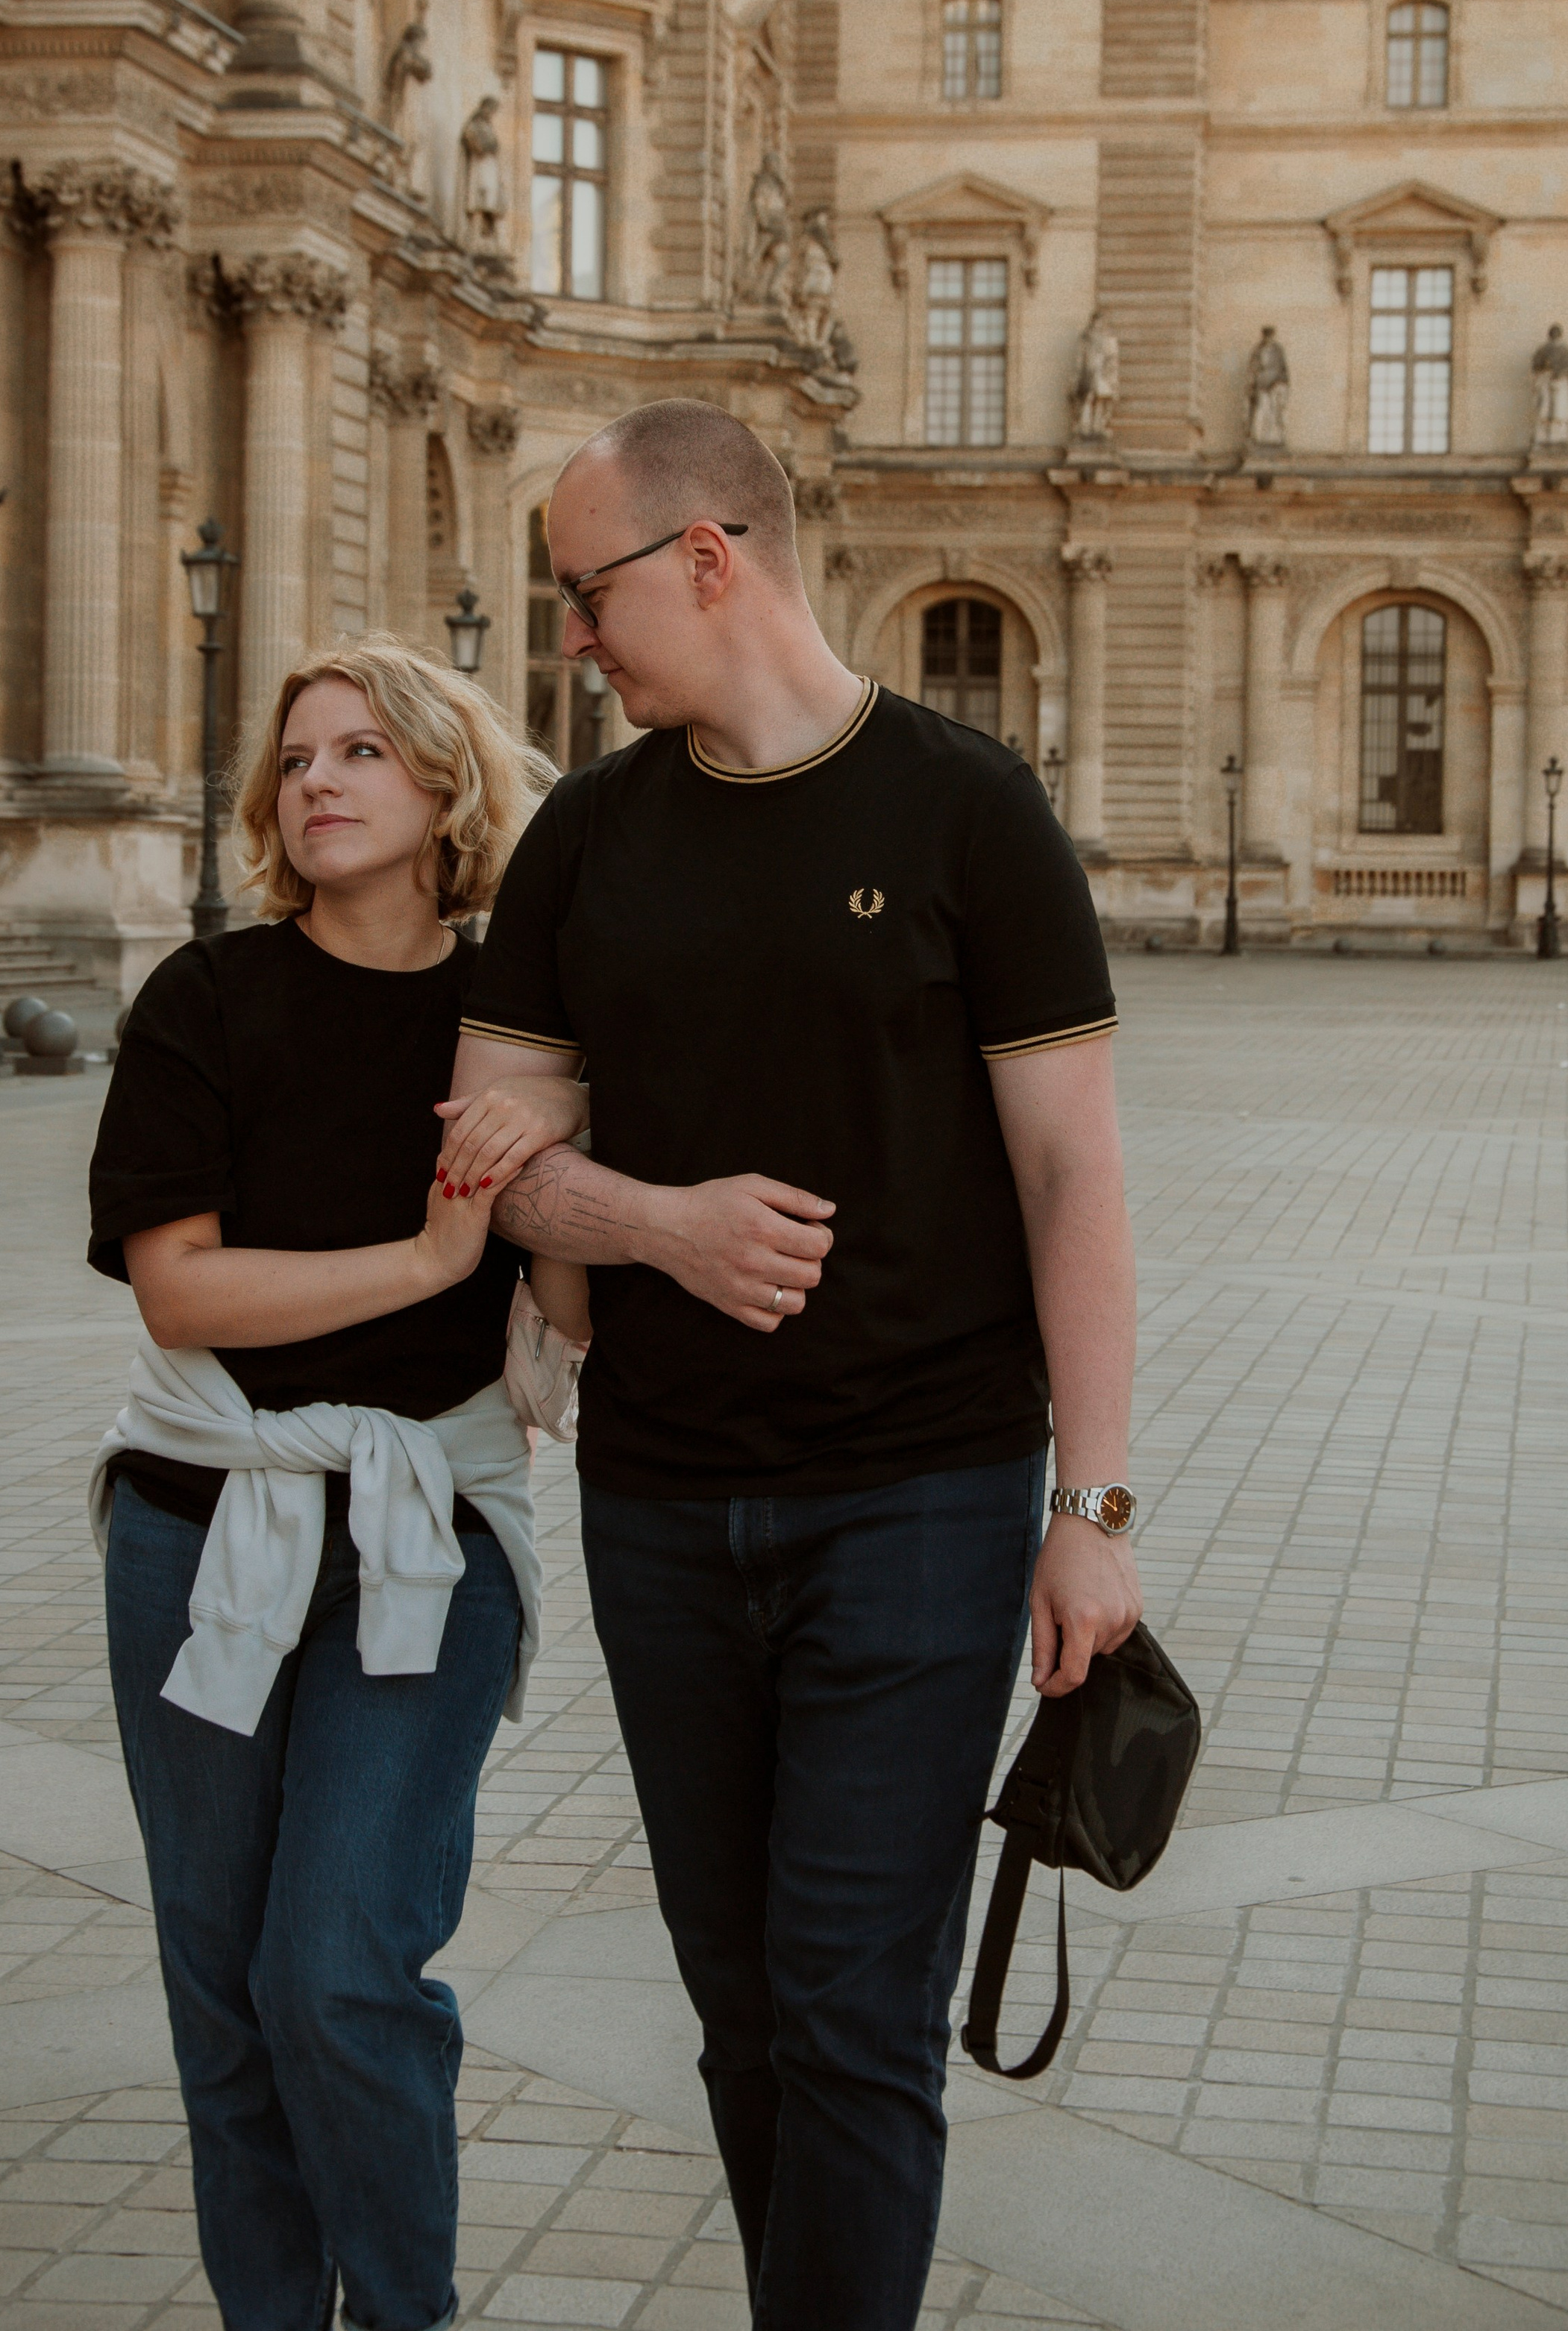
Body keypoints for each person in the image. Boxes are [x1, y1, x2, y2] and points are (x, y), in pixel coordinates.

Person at [439, 399, 1142, 2331]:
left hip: (919, 1496)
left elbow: (1074, 1173)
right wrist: (658, 1223)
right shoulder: (586, 839)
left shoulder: (965, 808)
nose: (572, 639)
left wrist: (1089, 1511)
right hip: (660, 1502)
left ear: (709, 557)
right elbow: (489, 1162)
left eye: (588, 594)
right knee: (744, 2012)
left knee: (849, 2003)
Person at [87, 637, 586, 2331]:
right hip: (195, 1520)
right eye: (297, 755)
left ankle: (401, 2311)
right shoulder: (203, 997)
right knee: (224, 1993)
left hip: (425, 1536)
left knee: (338, 1971)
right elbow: (182, 1289)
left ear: (446, 788)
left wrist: (550, 1224)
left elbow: (573, 1287)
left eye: (362, 749)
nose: (317, 780)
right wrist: (432, 1250)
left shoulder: (522, 1009)